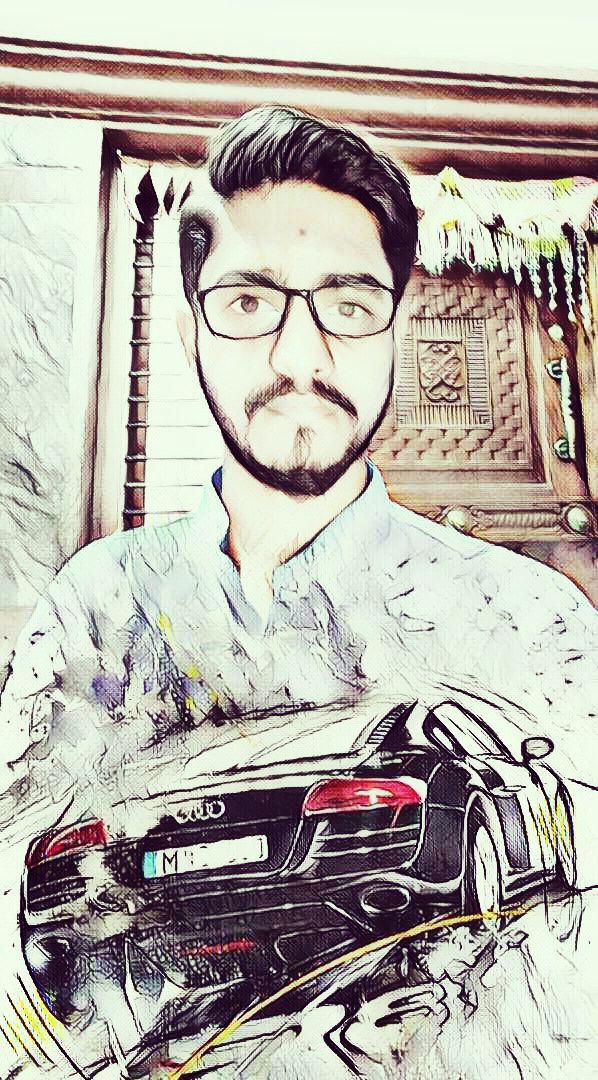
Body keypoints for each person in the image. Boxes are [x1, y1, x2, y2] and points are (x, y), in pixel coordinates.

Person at [0, 101, 596, 1079]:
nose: (299, 356)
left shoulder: (533, 621)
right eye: (247, 303)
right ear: (190, 331)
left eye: (348, 304)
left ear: (398, 327)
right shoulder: (95, 606)